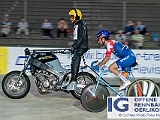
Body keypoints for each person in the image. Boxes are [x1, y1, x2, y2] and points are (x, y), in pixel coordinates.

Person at [62, 8, 89, 90]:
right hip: (79, 46)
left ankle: (73, 81)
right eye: (70, 17)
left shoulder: (81, 24)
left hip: (81, 47)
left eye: (72, 17)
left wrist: (74, 46)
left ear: (77, 16)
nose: (70, 19)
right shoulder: (77, 24)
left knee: (75, 62)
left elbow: (82, 37)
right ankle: (72, 80)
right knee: (73, 63)